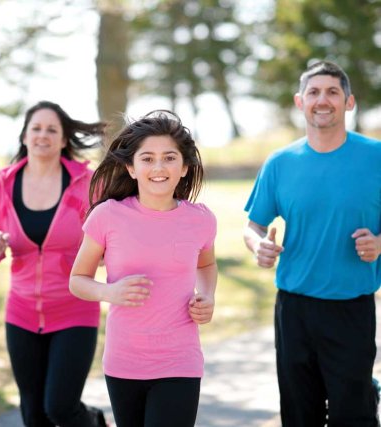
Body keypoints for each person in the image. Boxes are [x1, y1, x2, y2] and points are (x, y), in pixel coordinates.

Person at [243, 60, 381, 426]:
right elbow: (253, 225)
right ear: (300, 101)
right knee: (299, 414)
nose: (323, 100)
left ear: (349, 102)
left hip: (351, 307)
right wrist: (258, 246)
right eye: (314, 92)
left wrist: (380, 243)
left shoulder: (376, 157)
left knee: (353, 416)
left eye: (333, 91)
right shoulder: (280, 162)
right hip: (294, 310)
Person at [69, 110, 218, 427]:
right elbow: (77, 280)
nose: (159, 167)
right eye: (147, 159)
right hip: (125, 361)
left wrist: (207, 296)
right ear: (131, 168)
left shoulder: (200, 219)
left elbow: (207, 264)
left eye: (169, 158)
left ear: (185, 166)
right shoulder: (107, 216)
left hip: (180, 360)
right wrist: (110, 291)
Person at [0, 100, 107, 427]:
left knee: (60, 407)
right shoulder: (2, 185)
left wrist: (105, 254)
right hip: (21, 312)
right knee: (33, 415)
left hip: (75, 308)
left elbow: (109, 237)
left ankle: (95, 422)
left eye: (52, 129)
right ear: (24, 136)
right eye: (36, 128)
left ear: (64, 140)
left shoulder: (87, 183)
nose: (42, 135)